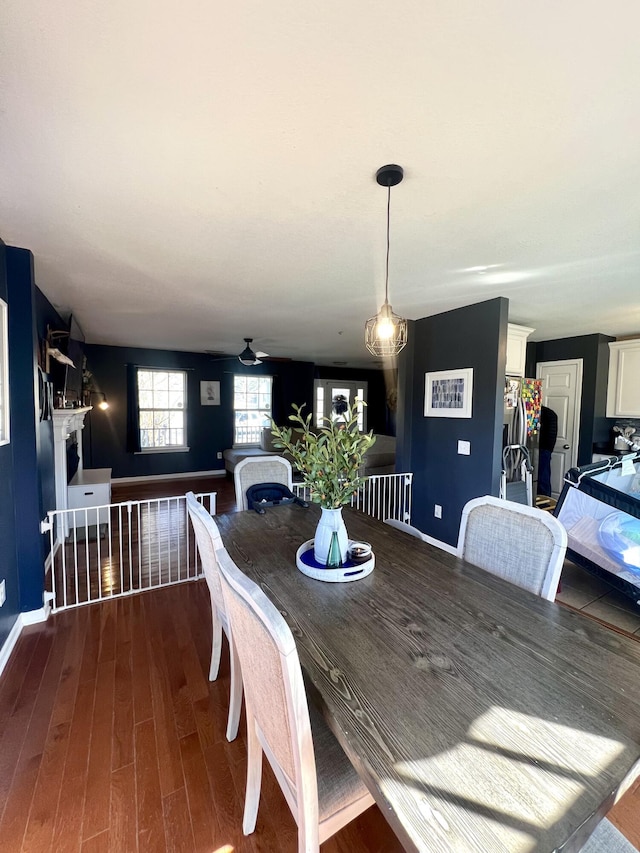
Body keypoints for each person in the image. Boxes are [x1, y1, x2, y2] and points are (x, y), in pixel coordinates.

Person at [538, 405, 558, 497]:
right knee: (543, 477)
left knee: (542, 477)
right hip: (546, 448)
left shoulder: (547, 414)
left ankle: (544, 500)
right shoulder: (550, 414)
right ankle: (544, 500)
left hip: (544, 449)